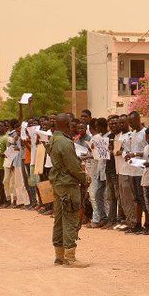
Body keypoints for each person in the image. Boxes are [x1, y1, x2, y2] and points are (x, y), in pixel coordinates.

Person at [49, 113, 90, 268]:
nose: (73, 127)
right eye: (71, 124)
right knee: (71, 217)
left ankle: (59, 256)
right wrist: (85, 178)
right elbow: (73, 166)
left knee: (59, 219)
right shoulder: (65, 143)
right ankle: (70, 257)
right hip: (68, 183)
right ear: (66, 125)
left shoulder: (53, 139)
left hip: (58, 183)